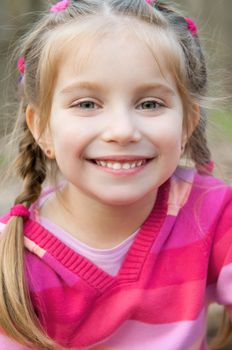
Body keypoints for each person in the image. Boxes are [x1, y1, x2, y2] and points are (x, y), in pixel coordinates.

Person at [0, 0, 231, 349]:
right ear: (42, 128)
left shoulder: (211, 212)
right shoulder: (13, 261)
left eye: (150, 103)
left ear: (187, 123)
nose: (122, 131)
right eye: (87, 104)